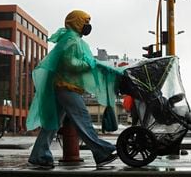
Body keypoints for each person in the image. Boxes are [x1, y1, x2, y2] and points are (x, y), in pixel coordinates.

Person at [26, 10, 121, 169]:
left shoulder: (70, 39)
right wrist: (89, 64)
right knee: (82, 120)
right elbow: (70, 63)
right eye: (85, 22)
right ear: (77, 23)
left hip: (62, 86)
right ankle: (101, 152)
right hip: (67, 87)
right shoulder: (72, 41)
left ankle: (38, 156)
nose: (88, 26)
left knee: (52, 125)